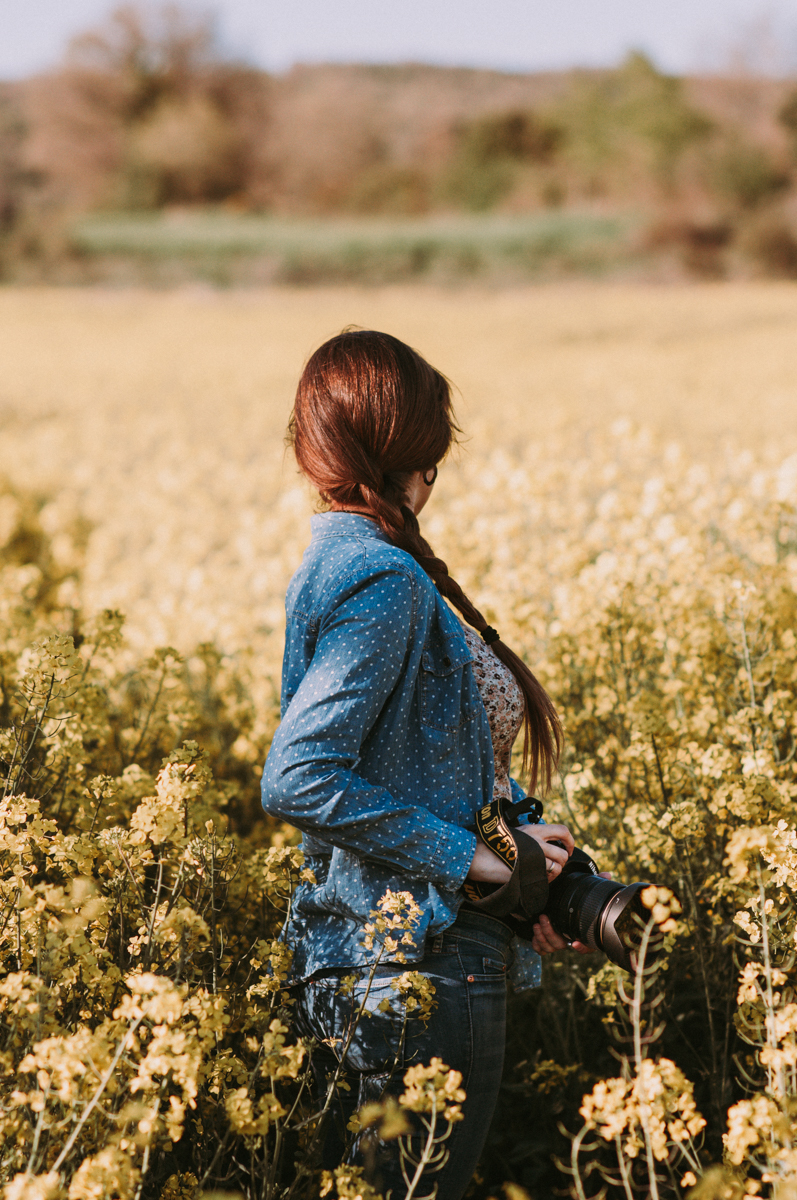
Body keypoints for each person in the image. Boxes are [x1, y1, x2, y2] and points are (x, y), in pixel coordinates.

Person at [261, 329, 588, 1200]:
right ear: (415, 460)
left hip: (382, 951)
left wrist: (525, 857)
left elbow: (413, 757)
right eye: (435, 460)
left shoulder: (340, 560)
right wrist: (474, 862)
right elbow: (300, 774)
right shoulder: (383, 578)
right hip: (423, 962)